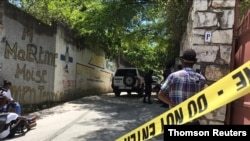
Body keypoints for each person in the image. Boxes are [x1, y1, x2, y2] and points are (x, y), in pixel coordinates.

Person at [158, 49, 206, 125]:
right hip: (192, 119)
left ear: (182, 61)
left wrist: (174, 105)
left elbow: (160, 95)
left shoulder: (173, 76)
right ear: (195, 61)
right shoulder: (201, 79)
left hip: (176, 118)